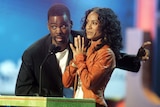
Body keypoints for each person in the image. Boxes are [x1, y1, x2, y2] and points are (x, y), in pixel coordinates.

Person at [15, 4, 150, 98]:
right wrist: (53, 97)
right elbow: (22, 90)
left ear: (71, 24)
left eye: (63, 26)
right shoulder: (33, 53)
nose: (58, 31)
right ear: (48, 26)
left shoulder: (83, 40)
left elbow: (108, 54)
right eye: (54, 26)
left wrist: (135, 59)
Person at [62, 7, 149, 107]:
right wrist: (75, 61)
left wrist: (79, 58)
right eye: (87, 22)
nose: (88, 27)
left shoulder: (106, 54)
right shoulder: (84, 48)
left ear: (105, 28)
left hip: (94, 104)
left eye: (94, 23)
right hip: (77, 104)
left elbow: (89, 83)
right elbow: (66, 82)